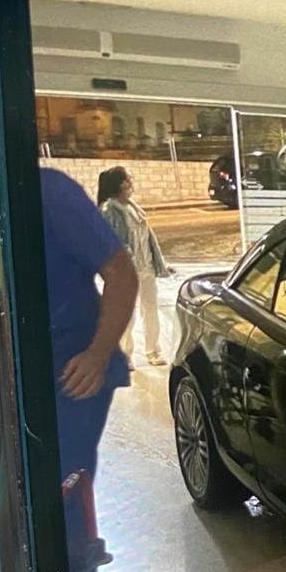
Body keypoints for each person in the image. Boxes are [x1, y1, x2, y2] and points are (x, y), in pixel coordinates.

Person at [40, 167, 137, 483]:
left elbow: (121, 272)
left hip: (71, 372)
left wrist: (98, 355)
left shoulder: (47, 191)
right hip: (4, 377)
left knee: (61, 494)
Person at [97, 166, 170, 368]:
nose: (132, 181)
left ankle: (153, 351)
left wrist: (160, 263)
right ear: (122, 184)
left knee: (150, 310)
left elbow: (148, 238)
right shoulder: (109, 210)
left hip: (145, 269)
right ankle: (123, 355)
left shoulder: (133, 207)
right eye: (129, 178)